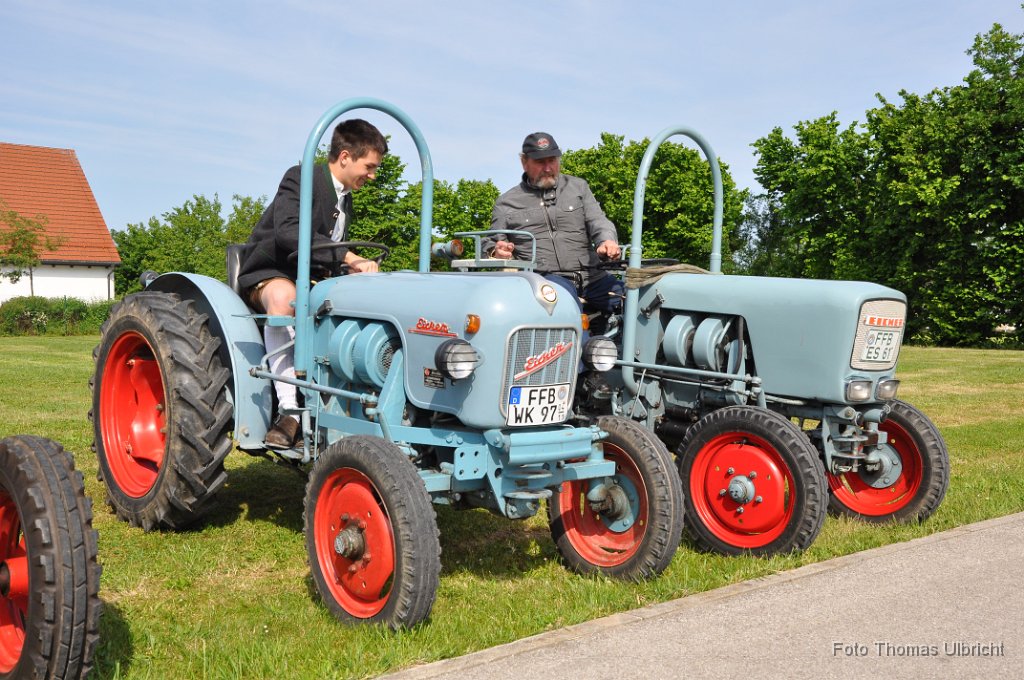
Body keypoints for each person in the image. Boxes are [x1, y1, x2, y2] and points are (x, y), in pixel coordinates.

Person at [236, 119, 388, 449]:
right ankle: (290, 410)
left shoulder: (345, 197)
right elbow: (289, 233)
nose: (372, 175)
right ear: (345, 156)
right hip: (271, 272)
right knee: (284, 297)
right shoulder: (301, 178)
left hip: (315, 279)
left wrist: (354, 271)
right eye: (370, 166)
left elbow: (326, 251)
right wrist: (351, 258)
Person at [487, 132, 624, 316]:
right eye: (540, 162)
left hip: (593, 277)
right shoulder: (507, 202)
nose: (548, 167)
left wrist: (606, 241)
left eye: (552, 160)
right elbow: (489, 243)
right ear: (524, 162)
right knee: (567, 311)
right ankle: (583, 345)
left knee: (642, 301)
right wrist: (497, 252)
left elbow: (598, 220)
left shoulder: (578, 187)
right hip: (547, 281)